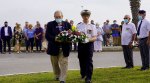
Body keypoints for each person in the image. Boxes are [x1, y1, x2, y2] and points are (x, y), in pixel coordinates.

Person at [45, 10, 71, 83]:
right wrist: (55, 38)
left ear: (62, 16)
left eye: (59, 17)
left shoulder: (67, 24)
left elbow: (71, 34)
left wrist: (69, 37)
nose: (58, 18)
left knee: (64, 63)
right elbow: (47, 36)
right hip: (53, 47)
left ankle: (62, 79)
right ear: (54, 17)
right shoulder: (50, 24)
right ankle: (57, 75)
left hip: (64, 47)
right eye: (56, 17)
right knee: (55, 64)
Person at [77, 10, 97, 83]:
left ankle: (88, 77)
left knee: (89, 61)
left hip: (89, 44)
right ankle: (83, 74)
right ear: (82, 16)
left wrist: (88, 40)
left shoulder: (92, 26)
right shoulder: (78, 25)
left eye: (87, 15)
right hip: (81, 44)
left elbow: (95, 37)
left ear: (89, 16)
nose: (85, 17)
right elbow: (76, 35)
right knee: (81, 59)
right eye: (84, 15)